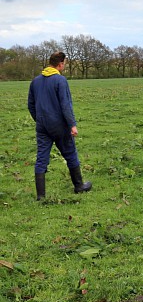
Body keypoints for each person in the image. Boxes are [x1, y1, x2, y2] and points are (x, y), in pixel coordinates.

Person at [27, 51, 92, 201]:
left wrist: (39, 119)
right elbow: (66, 105)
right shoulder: (60, 80)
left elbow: (30, 105)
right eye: (65, 64)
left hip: (42, 126)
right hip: (59, 126)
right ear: (60, 64)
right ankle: (79, 186)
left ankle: (41, 196)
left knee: (41, 158)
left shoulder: (35, 81)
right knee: (70, 153)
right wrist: (72, 125)